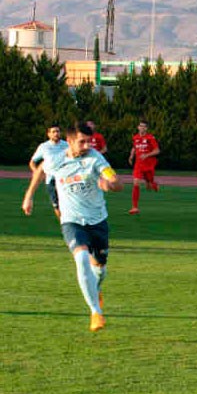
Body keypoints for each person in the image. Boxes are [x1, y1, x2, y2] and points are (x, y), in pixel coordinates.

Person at [22, 122, 123, 332]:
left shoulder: (95, 158)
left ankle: (96, 290)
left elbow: (114, 179)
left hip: (97, 220)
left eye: (89, 141)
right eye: (82, 141)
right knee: (81, 257)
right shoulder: (56, 160)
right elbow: (40, 170)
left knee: (100, 268)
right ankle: (96, 312)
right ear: (69, 141)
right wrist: (29, 197)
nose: (87, 145)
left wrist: (110, 184)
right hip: (71, 220)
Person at [28, 124, 68, 219]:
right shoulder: (44, 147)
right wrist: (36, 173)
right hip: (51, 180)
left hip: (65, 178)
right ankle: (64, 224)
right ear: (49, 134)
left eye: (57, 131)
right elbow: (32, 162)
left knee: (67, 203)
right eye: (53, 132)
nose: (56, 134)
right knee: (56, 205)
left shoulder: (66, 145)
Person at [128, 120, 160, 215]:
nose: (142, 128)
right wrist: (131, 156)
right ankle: (134, 207)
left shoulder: (150, 138)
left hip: (149, 164)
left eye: (144, 126)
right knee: (136, 183)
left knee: (149, 185)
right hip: (138, 164)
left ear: (146, 128)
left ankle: (153, 184)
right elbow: (134, 147)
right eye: (140, 126)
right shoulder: (135, 137)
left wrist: (146, 155)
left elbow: (157, 151)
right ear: (138, 127)